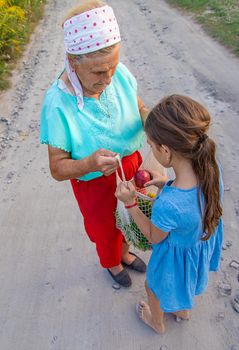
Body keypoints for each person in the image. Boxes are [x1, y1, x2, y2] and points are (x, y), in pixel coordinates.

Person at [40, 0, 149, 288]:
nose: (109, 78)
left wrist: (156, 122)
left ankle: (124, 253)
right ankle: (112, 263)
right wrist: (89, 163)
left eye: (112, 66)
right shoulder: (57, 103)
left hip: (131, 167)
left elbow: (140, 108)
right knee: (105, 229)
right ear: (73, 61)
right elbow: (58, 169)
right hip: (95, 182)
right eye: (99, 72)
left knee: (132, 215)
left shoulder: (118, 75)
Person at [115, 95, 223, 333]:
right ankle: (182, 310)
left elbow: (154, 237)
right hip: (195, 246)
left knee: (153, 287)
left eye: (151, 145)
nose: (150, 149)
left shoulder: (169, 205)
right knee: (186, 281)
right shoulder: (211, 169)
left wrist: (131, 203)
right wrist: (166, 183)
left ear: (164, 150)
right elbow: (192, 203)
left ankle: (157, 322)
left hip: (173, 257)